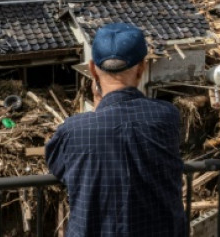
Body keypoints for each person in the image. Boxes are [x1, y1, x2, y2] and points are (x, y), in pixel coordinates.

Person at [45, 23, 186, 237]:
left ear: (92, 69)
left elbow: (58, 166)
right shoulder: (167, 116)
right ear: (141, 68)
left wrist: (98, 104)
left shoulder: (73, 130)